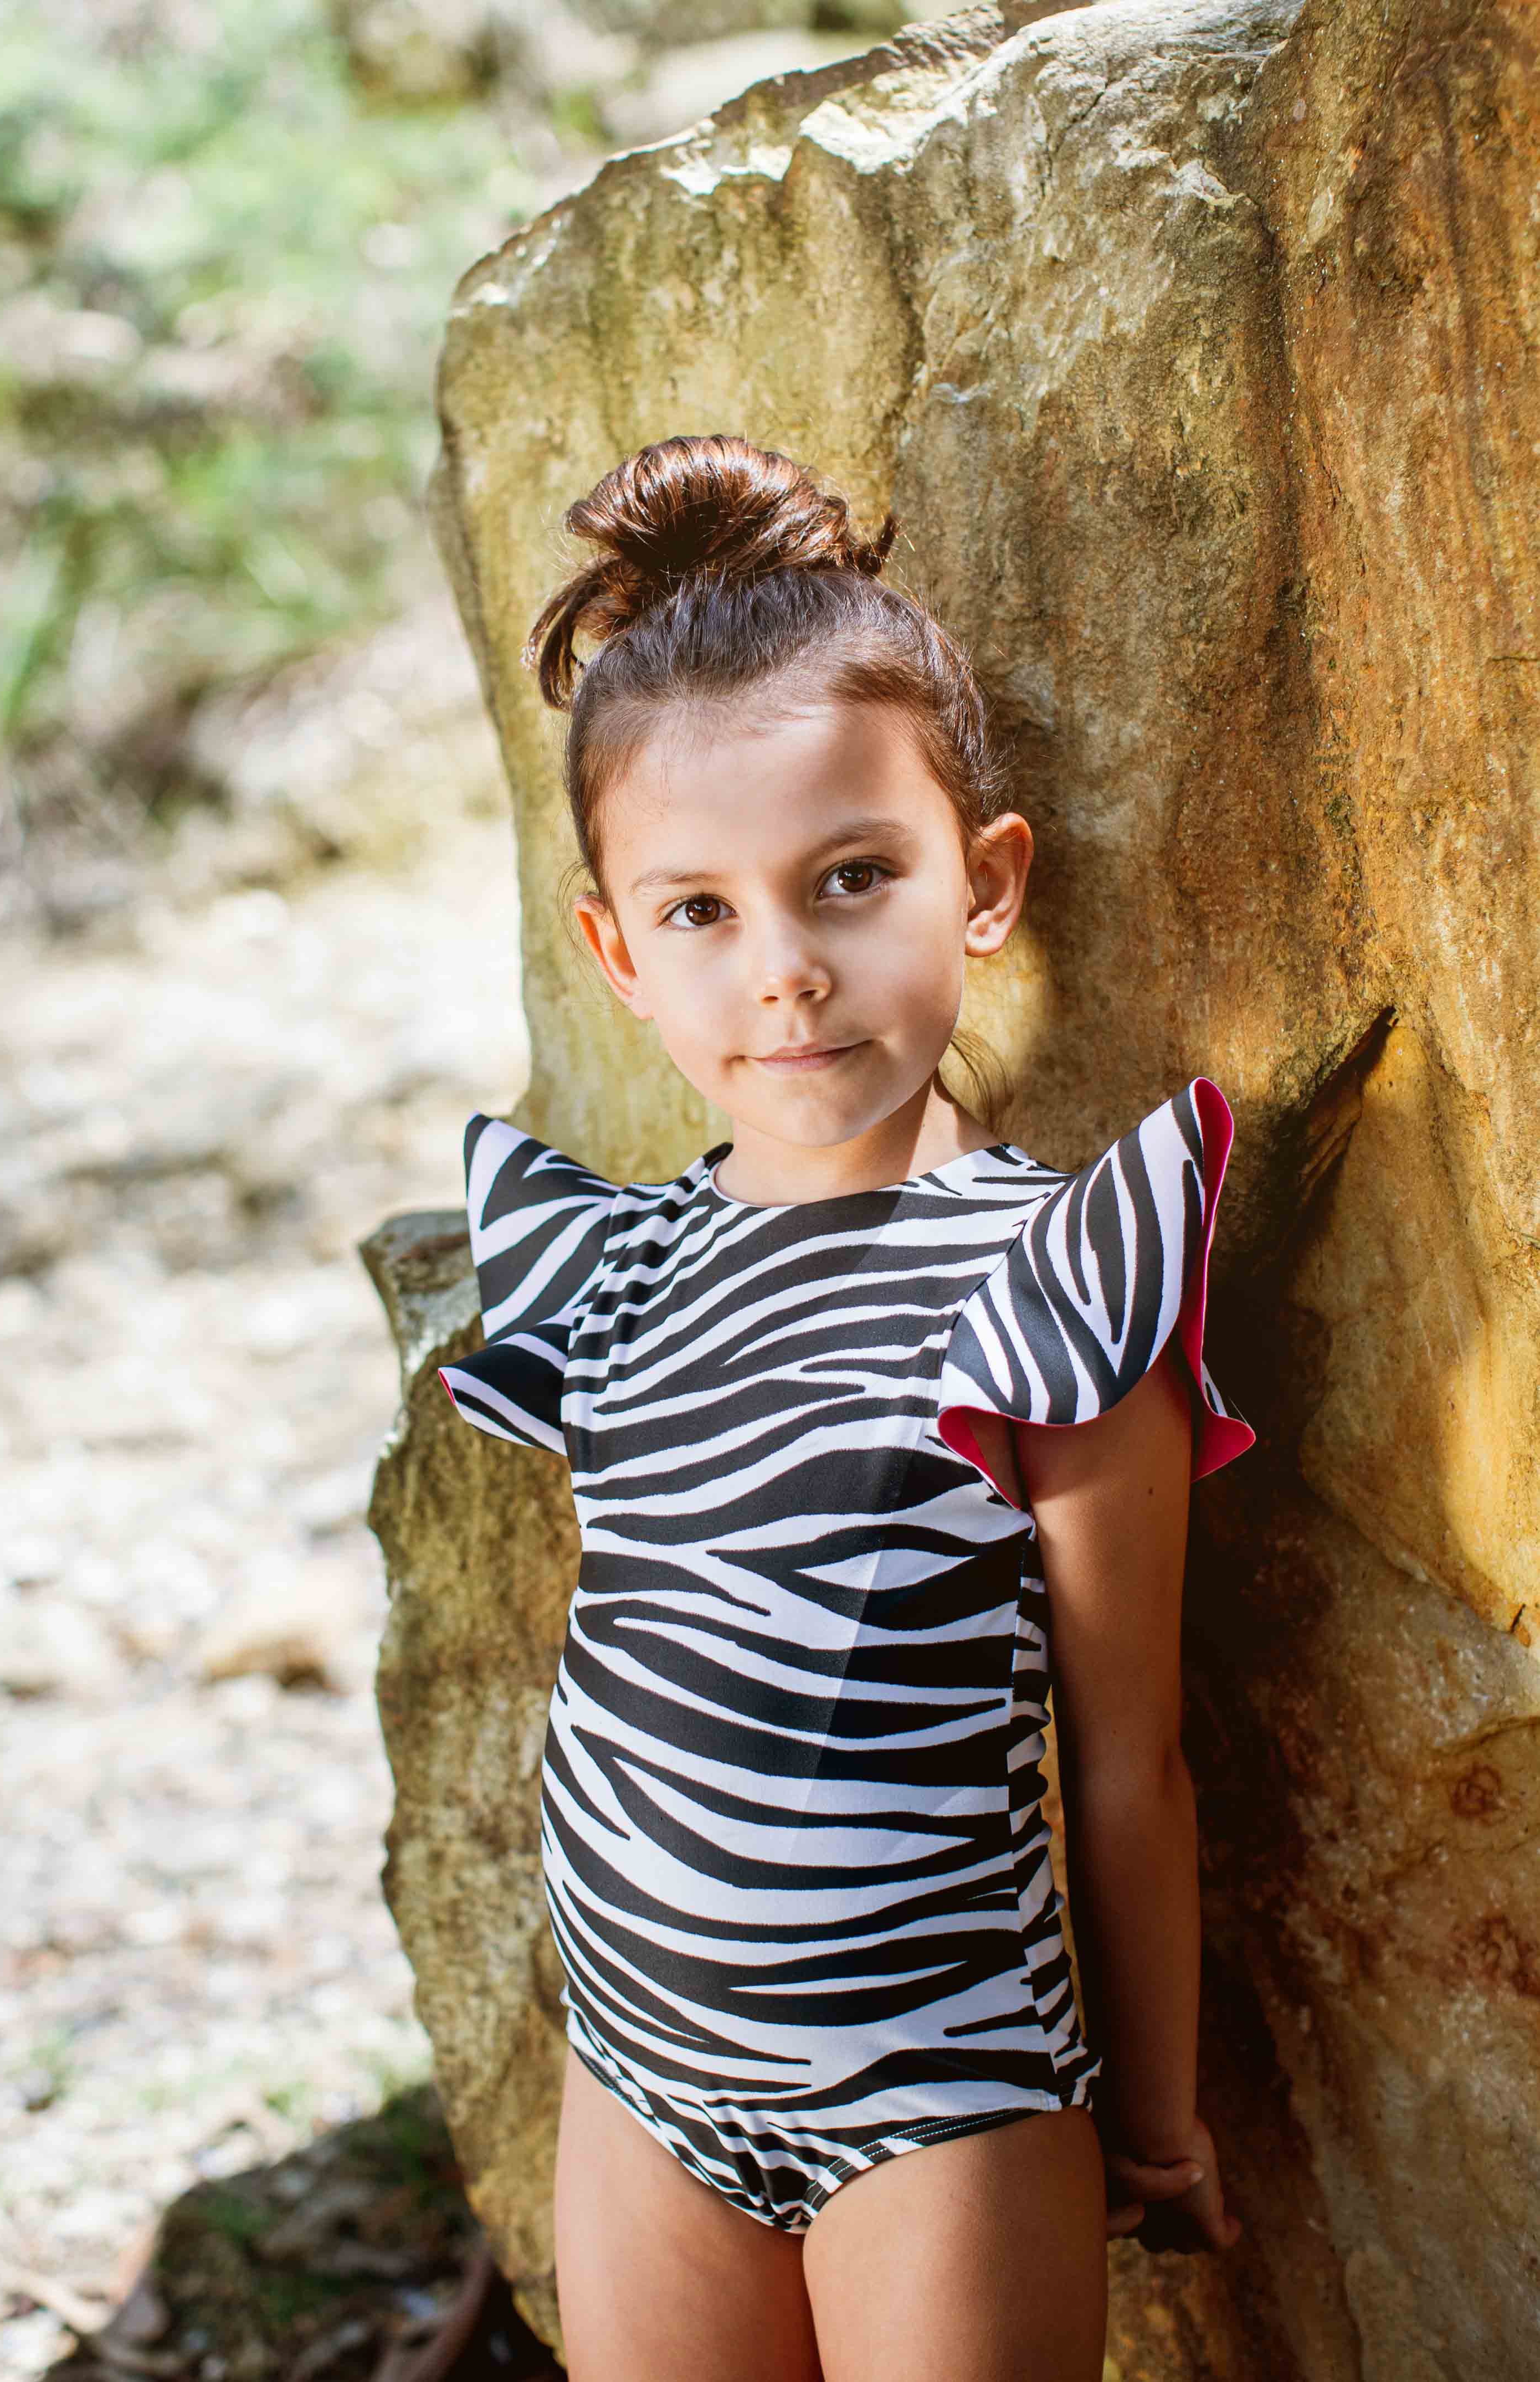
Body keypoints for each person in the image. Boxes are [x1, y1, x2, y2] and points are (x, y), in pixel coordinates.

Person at [437, 432, 1257, 2382]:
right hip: (638, 2067)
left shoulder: (1049, 1284)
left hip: (938, 2084)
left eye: (852, 879)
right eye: (702, 912)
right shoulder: (611, 1272)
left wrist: (1153, 2118)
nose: (786, 973)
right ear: (616, 952)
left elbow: (1126, 1759)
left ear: (983, 885)